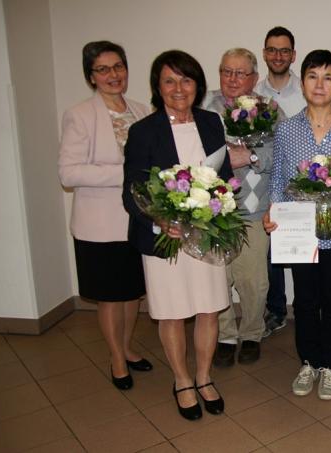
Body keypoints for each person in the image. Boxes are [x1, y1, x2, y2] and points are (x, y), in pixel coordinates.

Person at [123, 50, 232, 421]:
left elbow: (225, 176)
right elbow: (132, 191)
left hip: (205, 234)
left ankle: (204, 376)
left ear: (197, 85)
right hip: (164, 238)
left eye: (186, 80)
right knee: (171, 313)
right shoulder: (143, 131)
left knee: (207, 308)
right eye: (169, 80)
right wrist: (159, 219)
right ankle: (182, 379)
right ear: (157, 86)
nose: (178, 88)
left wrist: (220, 205)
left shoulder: (211, 121)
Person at [263, 50, 331, 401]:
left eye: (328, 77)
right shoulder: (286, 129)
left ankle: (330, 366)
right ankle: (308, 361)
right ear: (304, 81)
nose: (320, 84)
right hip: (299, 234)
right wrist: (273, 214)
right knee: (306, 301)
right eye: (313, 76)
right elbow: (279, 180)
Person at [58, 41, 153, 391]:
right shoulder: (80, 115)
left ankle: (127, 348)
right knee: (111, 296)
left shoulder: (142, 111)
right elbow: (68, 173)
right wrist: (123, 174)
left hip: (138, 220)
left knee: (132, 293)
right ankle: (116, 358)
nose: (113, 75)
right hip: (99, 224)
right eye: (103, 69)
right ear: (91, 76)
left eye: (118, 67)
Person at [203, 48, 286, 367]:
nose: (232, 78)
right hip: (211, 210)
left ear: (253, 78)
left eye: (240, 73)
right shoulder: (204, 108)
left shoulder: (271, 110)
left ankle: (251, 332)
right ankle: (224, 335)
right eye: (226, 71)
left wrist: (251, 156)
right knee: (218, 278)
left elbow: (282, 153)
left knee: (253, 280)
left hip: (254, 208)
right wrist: (226, 155)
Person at [255, 26, 305, 337]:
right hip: (265, 182)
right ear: (264, 54)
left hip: (304, 187)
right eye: (272, 50)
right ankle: (276, 308)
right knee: (270, 252)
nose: (278, 56)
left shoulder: (306, 90)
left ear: (293, 55)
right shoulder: (254, 95)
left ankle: (305, 306)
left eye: (284, 50)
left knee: (301, 251)